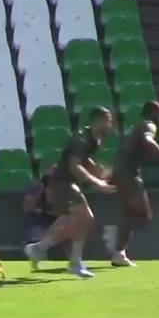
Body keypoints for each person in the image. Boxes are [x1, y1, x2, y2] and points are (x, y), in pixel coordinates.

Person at [25, 106, 116, 279]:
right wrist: (96, 182)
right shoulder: (81, 138)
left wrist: (98, 171)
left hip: (69, 183)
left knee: (70, 224)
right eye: (108, 120)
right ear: (98, 120)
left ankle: (37, 248)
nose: (110, 125)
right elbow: (74, 165)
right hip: (63, 183)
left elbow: (82, 159)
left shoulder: (94, 140)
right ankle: (74, 264)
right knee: (86, 218)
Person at [107, 101, 159, 268]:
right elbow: (148, 141)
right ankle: (118, 249)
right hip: (128, 174)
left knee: (133, 214)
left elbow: (145, 150)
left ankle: (119, 251)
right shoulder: (149, 126)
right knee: (139, 214)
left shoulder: (139, 127)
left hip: (122, 172)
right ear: (155, 114)